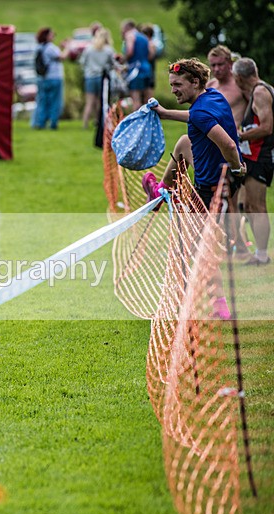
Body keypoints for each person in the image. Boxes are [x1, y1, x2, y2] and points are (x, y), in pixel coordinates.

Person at [150, 58, 246, 318]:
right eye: (171, 85)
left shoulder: (201, 113)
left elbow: (226, 143)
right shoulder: (212, 97)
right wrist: (166, 113)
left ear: (194, 82)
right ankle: (161, 191)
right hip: (222, 179)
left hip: (211, 188)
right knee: (183, 143)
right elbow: (196, 118)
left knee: (200, 248)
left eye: (177, 84)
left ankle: (219, 304)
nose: (173, 90)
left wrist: (237, 166)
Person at [233, 57, 273, 265]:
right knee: (248, 206)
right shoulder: (257, 92)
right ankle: (259, 251)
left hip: (261, 157)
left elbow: (267, 127)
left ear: (239, 77)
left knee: (257, 206)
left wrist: (239, 136)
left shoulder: (260, 92)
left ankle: (262, 254)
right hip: (253, 157)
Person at [79, 27, 115, 129]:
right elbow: (112, 64)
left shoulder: (89, 49)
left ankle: (85, 124)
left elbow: (82, 62)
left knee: (89, 103)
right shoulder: (108, 50)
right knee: (101, 102)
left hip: (90, 77)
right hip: (102, 78)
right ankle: (100, 123)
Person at [32, 27, 64, 130]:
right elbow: (62, 57)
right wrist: (67, 47)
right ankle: (53, 123)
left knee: (42, 101)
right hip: (54, 78)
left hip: (42, 78)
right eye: (51, 34)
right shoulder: (51, 48)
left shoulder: (39, 47)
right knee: (55, 101)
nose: (53, 36)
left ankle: (40, 122)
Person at [119, 19, 152, 110]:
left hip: (135, 69)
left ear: (127, 28)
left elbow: (130, 51)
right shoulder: (144, 37)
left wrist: (123, 60)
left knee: (136, 98)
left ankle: (136, 122)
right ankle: (148, 121)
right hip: (147, 68)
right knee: (147, 99)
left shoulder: (130, 35)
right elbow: (150, 54)